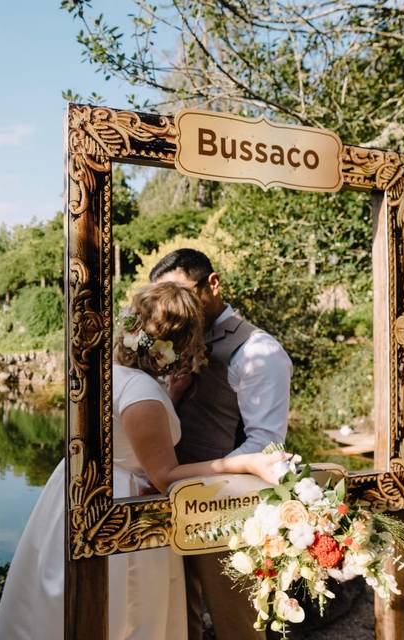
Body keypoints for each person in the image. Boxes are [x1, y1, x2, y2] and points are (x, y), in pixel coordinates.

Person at [0, 281, 289, 640]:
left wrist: (170, 397)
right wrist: (245, 463)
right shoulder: (143, 393)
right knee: (127, 609)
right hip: (124, 504)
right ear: (182, 343)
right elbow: (163, 475)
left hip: (76, 491)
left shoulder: (103, 375)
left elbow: (133, 432)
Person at [150, 249, 293, 640]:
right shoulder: (171, 340)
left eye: (180, 295)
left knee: (238, 626)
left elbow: (265, 443)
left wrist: (201, 488)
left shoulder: (259, 352)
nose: (171, 309)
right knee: (178, 623)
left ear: (212, 284)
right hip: (169, 501)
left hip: (228, 511)